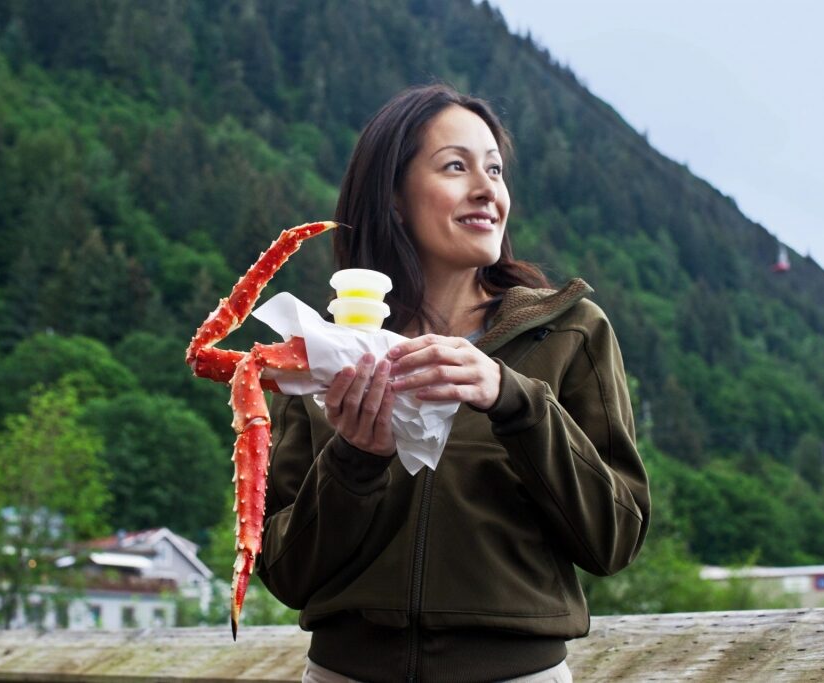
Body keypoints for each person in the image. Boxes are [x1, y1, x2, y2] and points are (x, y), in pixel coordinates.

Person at [256, 84, 650, 683]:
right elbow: (285, 573)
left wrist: (514, 400)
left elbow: (614, 538)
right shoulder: (320, 354)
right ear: (393, 197)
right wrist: (354, 464)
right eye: (456, 166)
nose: (488, 189)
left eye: (494, 169)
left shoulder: (569, 332)